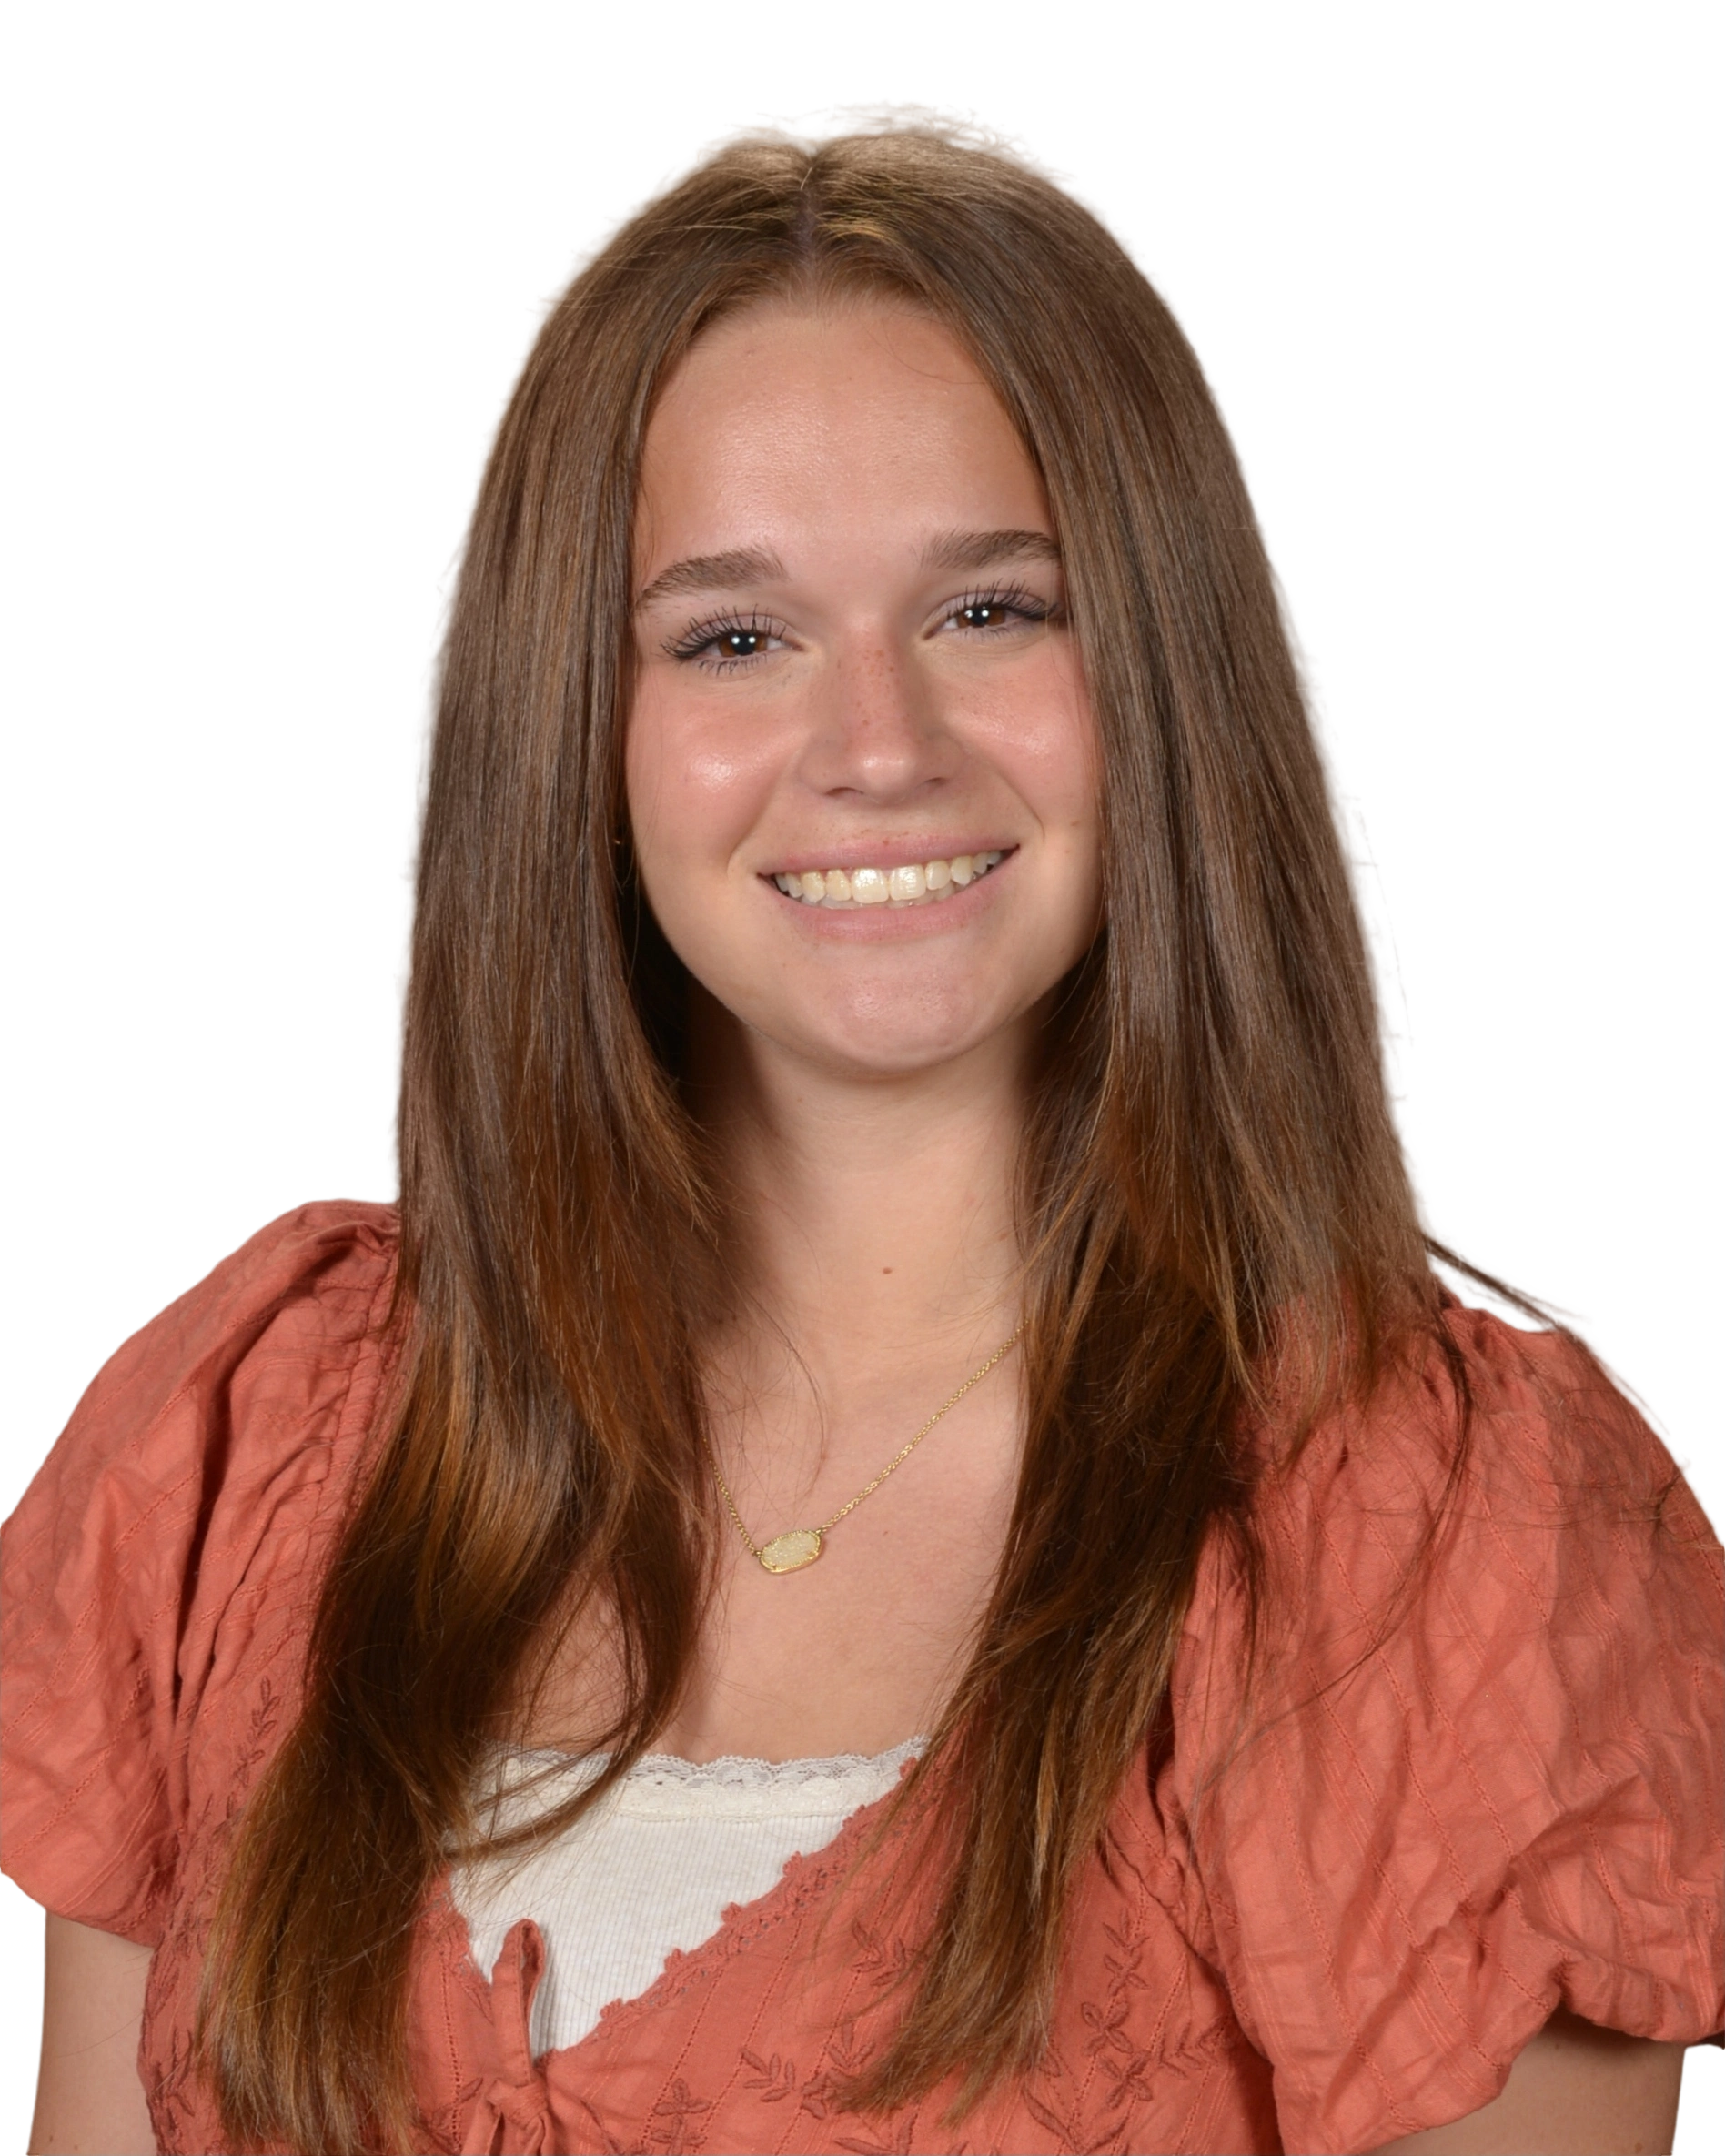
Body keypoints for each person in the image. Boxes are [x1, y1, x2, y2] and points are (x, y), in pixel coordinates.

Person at [6, 96, 1720, 2156]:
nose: (877, 746)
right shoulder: (256, 1432)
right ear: (578, 727)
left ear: (1163, 668)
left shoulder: (1443, 1516)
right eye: (734, 637)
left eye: (992, 609)